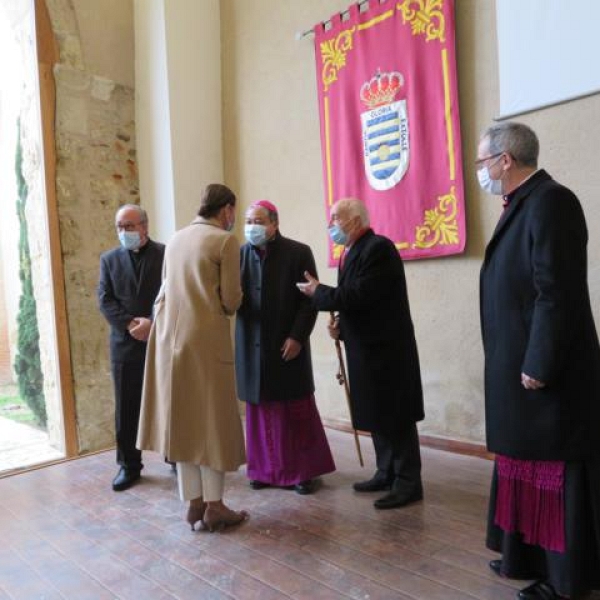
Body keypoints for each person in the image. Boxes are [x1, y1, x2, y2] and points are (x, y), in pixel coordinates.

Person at [477, 122, 600, 599]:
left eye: (483, 162)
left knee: (554, 469)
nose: (480, 171)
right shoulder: (524, 204)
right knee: (520, 461)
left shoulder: (552, 201)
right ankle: (523, 553)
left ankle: (563, 578)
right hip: (518, 362)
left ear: (505, 160)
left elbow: (557, 292)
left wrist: (540, 362)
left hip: (547, 370)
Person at [297, 198, 424, 509]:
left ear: (354, 221)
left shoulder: (378, 248)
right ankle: (386, 471)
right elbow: (359, 304)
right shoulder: (350, 252)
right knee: (377, 413)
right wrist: (341, 324)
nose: (331, 226)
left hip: (387, 349)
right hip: (366, 348)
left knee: (396, 415)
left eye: (335, 219)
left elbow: (360, 294)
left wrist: (320, 293)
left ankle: (408, 482)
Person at [137, 183, 248, 533]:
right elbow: (231, 300)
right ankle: (215, 505)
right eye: (233, 211)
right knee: (212, 424)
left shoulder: (175, 239)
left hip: (171, 339)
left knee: (184, 421)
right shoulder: (225, 241)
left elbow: (166, 289)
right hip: (206, 342)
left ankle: (194, 503)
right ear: (226, 209)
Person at [235, 200, 335, 495]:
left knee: (293, 409)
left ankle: (302, 473)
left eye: (258, 220)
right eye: (248, 220)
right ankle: (264, 471)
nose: (252, 226)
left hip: (286, 343)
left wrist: (297, 337)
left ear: (274, 224)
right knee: (260, 409)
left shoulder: (298, 252)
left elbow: (309, 301)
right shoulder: (239, 255)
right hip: (252, 347)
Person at [97, 204, 165, 491]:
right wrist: (129, 324)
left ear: (144, 226)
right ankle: (129, 466)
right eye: (119, 227)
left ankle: (175, 456)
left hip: (159, 340)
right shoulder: (109, 259)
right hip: (124, 344)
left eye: (129, 226)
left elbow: (174, 293)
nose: (123, 232)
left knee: (167, 401)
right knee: (126, 407)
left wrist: (152, 323)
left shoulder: (165, 254)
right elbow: (105, 298)